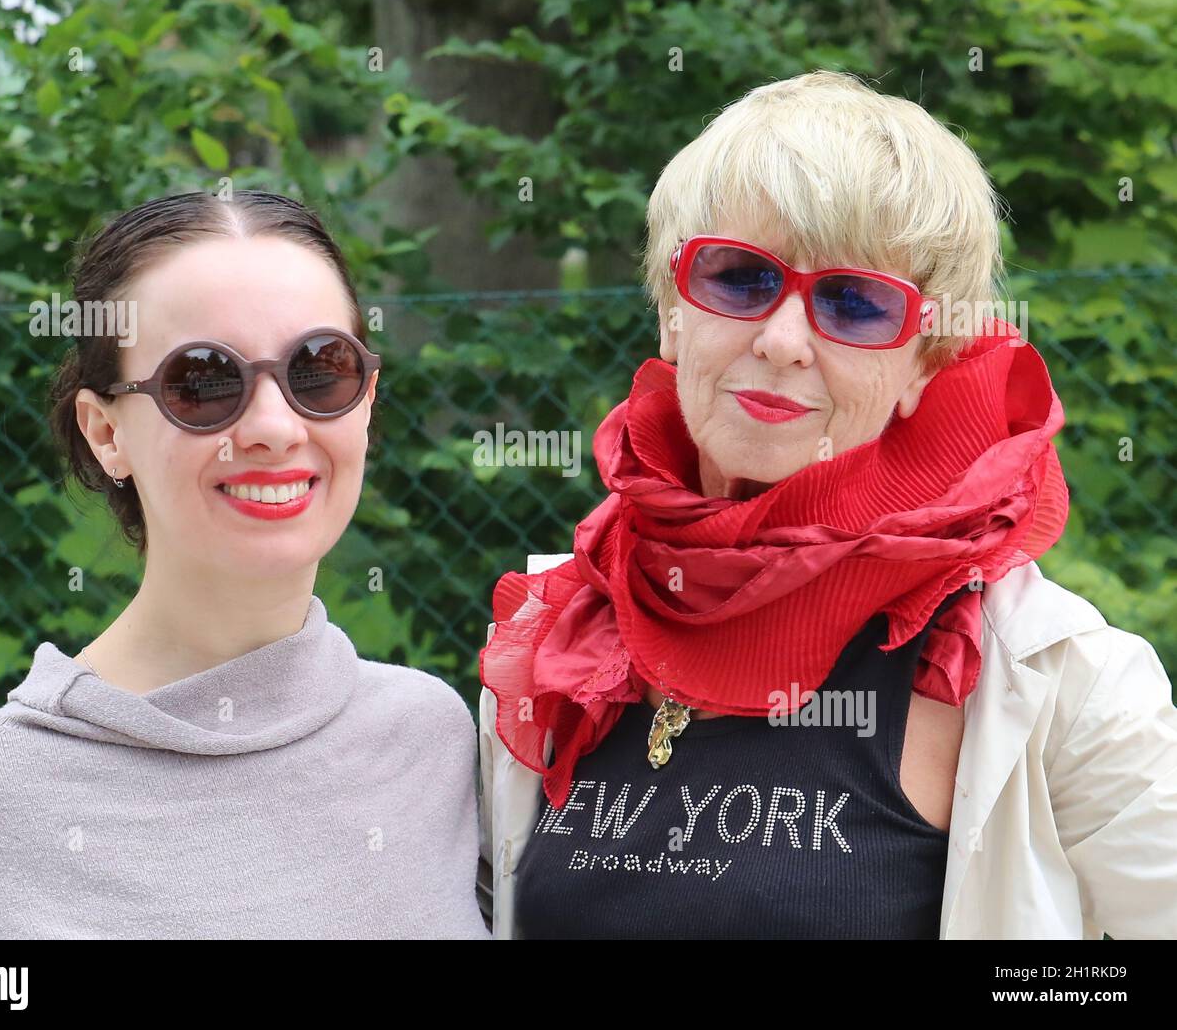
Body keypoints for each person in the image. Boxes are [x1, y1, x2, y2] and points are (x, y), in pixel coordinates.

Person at [477, 71, 1177, 940]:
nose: (781, 341)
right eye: (738, 278)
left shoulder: (1059, 681)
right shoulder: (563, 638)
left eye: (854, 303)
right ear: (671, 312)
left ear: (926, 361)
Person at [0, 190, 489, 940]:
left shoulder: (430, 740)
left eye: (319, 368)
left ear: (366, 398)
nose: (272, 427)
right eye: (203, 380)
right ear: (107, 432)